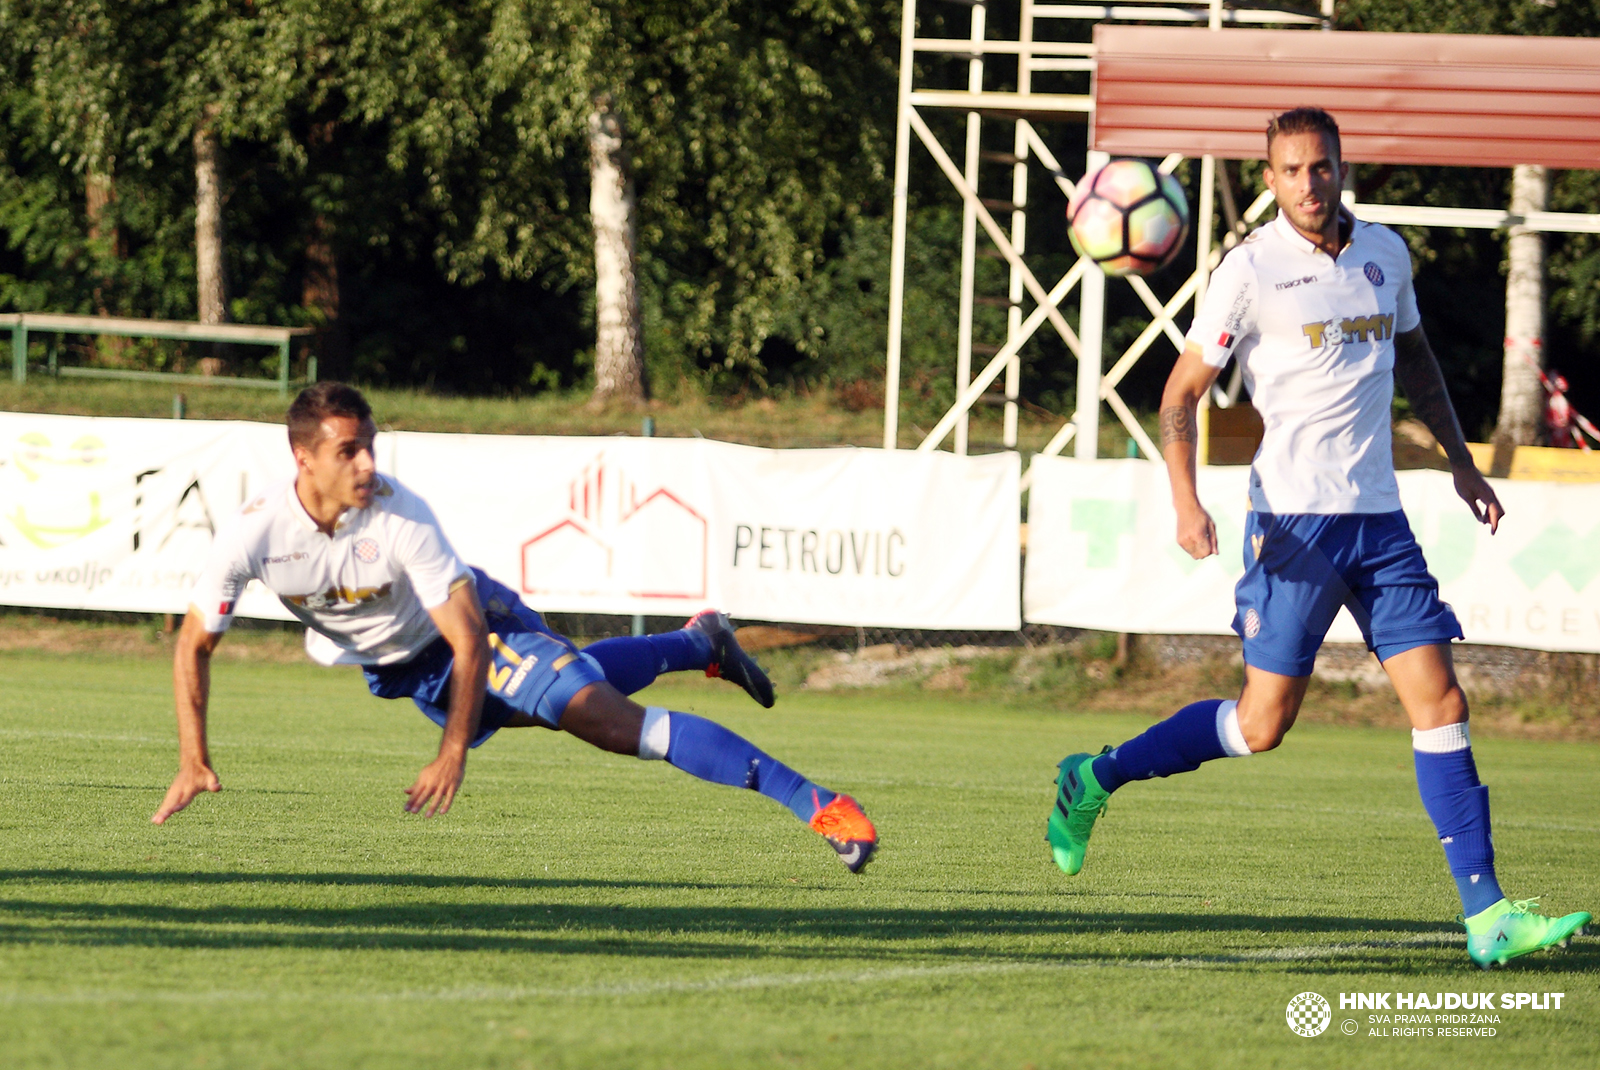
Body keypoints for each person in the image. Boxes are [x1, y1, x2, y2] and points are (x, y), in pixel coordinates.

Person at [1045, 108, 1588, 968]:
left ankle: (1488, 919)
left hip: (1381, 524)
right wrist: (1185, 502)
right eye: (1292, 170)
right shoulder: (1249, 270)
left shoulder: (1386, 253)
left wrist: (1460, 460)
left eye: (1322, 167)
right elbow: (1181, 395)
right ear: (1270, 178)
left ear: (1342, 167)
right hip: (1292, 527)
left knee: (1442, 704)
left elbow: (1416, 363)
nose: (1309, 184)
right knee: (1263, 727)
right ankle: (1094, 777)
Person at [152, 382, 877, 873]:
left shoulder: (403, 517)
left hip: (481, 633)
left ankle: (818, 805)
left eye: (371, 444)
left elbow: (469, 641)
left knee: (602, 721)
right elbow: (194, 644)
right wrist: (193, 757)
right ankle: (697, 642)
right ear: (302, 457)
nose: (369, 463)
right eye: (349, 451)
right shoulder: (253, 534)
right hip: (413, 675)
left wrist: (452, 752)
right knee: (573, 698)